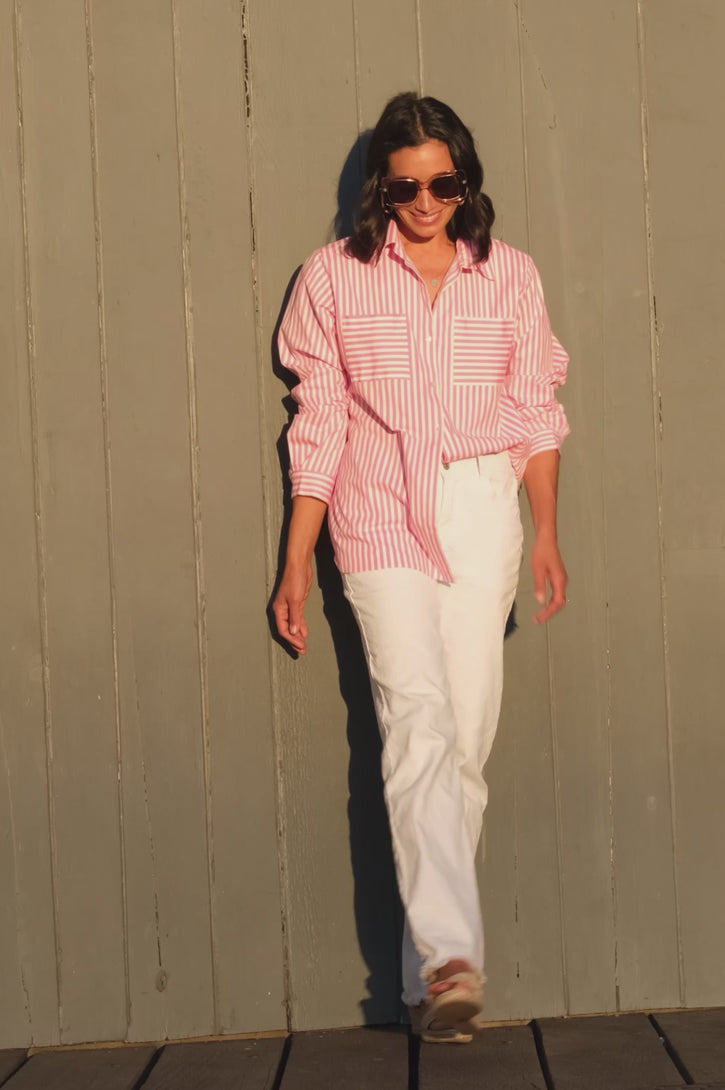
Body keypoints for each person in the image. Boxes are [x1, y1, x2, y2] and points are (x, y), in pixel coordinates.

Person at [273, 92, 569, 1043]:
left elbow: (535, 412)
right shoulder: (333, 277)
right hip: (374, 507)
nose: (426, 200)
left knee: (465, 743)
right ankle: (453, 955)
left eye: (443, 182)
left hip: (482, 505)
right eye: (406, 185)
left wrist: (546, 531)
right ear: (381, 189)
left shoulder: (510, 277)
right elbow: (316, 421)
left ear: (465, 180)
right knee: (417, 725)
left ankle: (422, 981)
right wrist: (294, 559)